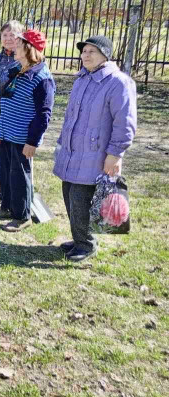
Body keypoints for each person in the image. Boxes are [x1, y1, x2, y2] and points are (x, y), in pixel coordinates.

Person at [53, 35, 137, 262]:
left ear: (105, 55)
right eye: (84, 51)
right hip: (72, 152)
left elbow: (124, 123)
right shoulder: (82, 79)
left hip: (95, 155)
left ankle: (86, 244)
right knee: (69, 195)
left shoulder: (118, 82)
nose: (86, 55)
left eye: (92, 51)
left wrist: (115, 154)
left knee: (80, 199)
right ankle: (79, 238)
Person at [0, 29, 55, 232]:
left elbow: (43, 114)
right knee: (7, 172)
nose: (14, 47)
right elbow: (7, 101)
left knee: (20, 175)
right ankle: (8, 207)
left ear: (29, 49)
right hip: (7, 132)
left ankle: (22, 216)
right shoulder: (19, 70)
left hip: (22, 137)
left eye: (19, 45)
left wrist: (33, 141)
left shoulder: (41, 78)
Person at [0, 20, 25, 201]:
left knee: (11, 159)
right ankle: (3, 190)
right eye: (5, 35)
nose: (8, 39)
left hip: (11, 118)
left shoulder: (22, 61)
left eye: (13, 35)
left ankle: (13, 195)